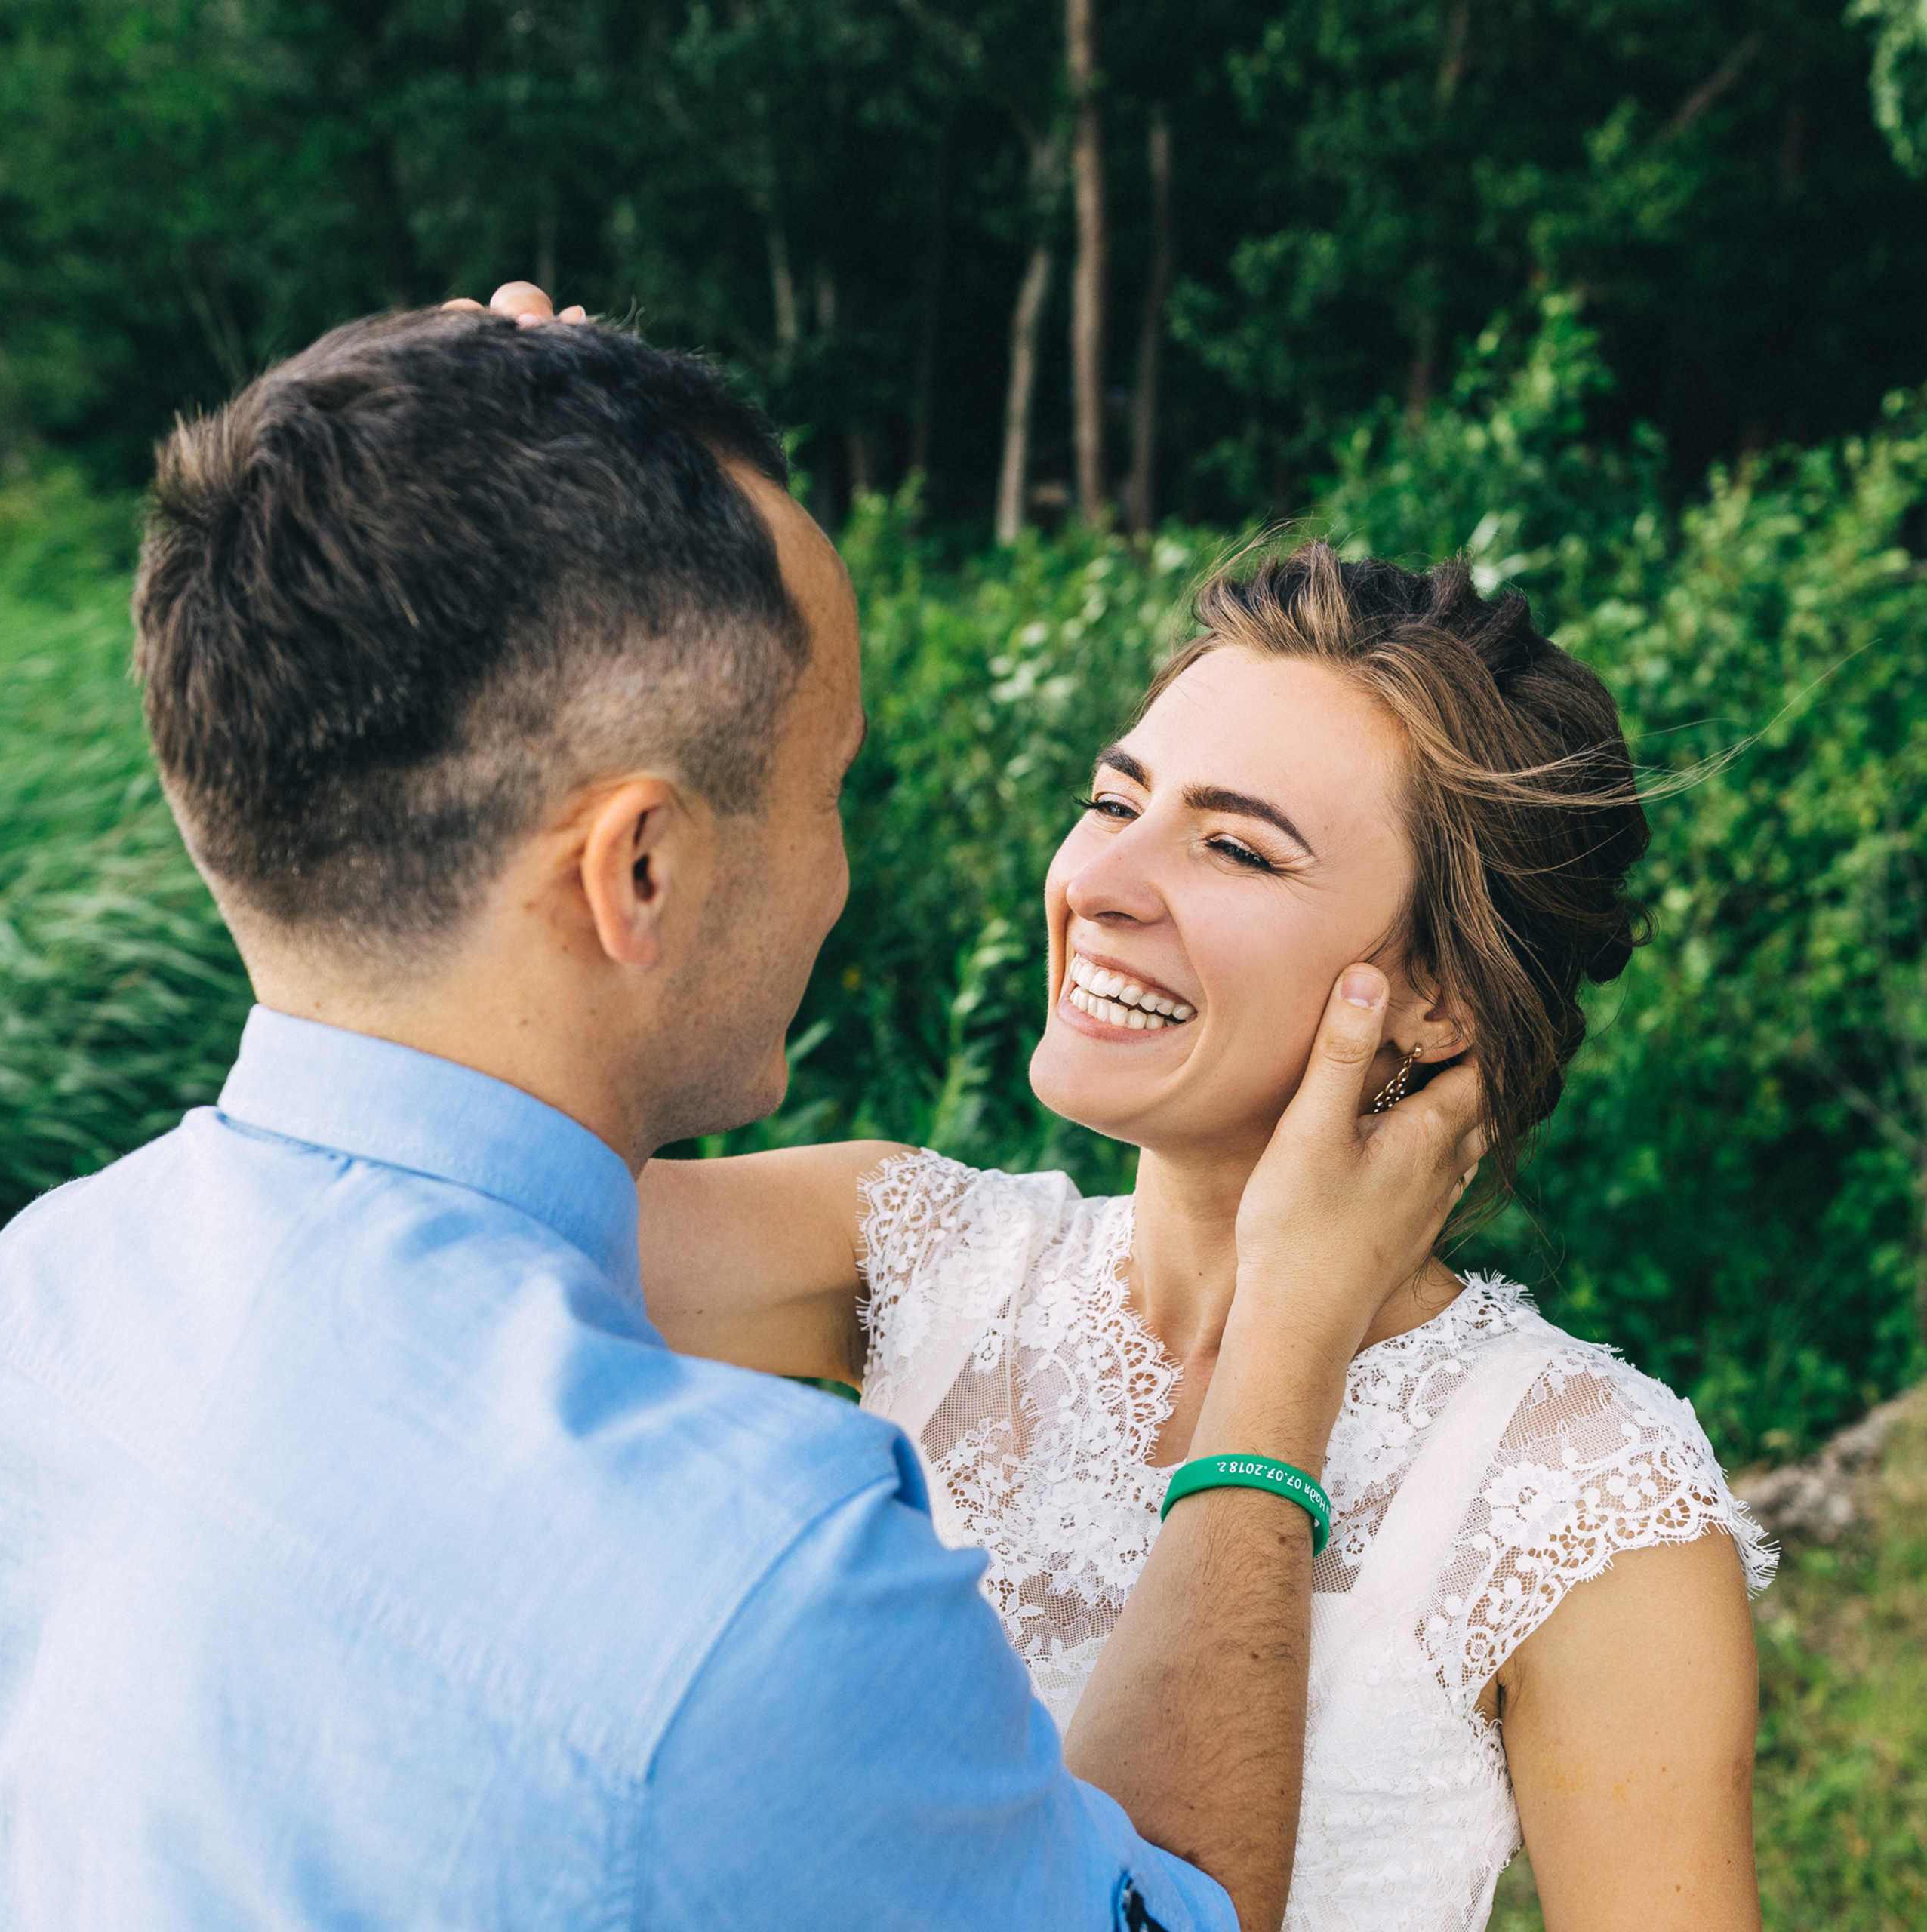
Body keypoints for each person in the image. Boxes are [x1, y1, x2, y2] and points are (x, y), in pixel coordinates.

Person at [0, 295, 1485, 1929]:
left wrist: (441, 457)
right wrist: (1281, 1355)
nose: (841, 867)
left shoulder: (49, 1295)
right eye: (823, 784)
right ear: (639, 868)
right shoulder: (757, 1579)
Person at [636, 543, 1777, 1927]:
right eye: (1112, 800)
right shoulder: (907, 1252)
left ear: (1434, 1003)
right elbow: (414, 1210)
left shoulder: (1581, 1489)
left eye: (1235, 846)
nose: (1102, 878)